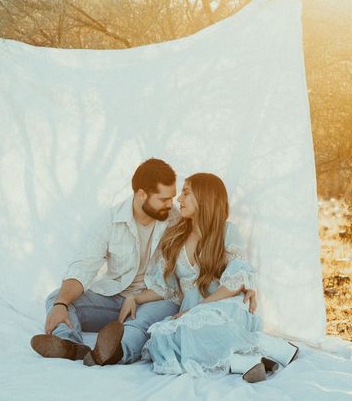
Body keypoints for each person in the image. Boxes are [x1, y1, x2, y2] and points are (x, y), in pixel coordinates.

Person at [119, 173, 298, 382]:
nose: (179, 200)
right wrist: (135, 298)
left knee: (201, 325)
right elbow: (165, 287)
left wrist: (196, 309)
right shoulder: (175, 237)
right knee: (161, 338)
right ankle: (249, 359)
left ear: (204, 197)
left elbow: (236, 280)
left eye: (186, 193)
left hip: (225, 304)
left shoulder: (227, 231)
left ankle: (260, 349)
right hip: (192, 310)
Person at [31, 158, 180, 365]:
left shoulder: (176, 221)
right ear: (141, 194)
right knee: (57, 298)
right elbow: (83, 265)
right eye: (164, 199)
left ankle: (115, 351)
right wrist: (61, 303)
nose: (170, 204)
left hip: (155, 299)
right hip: (116, 299)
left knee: (140, 324)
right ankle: (68, 344)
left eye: (172, 198)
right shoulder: (110, 221)